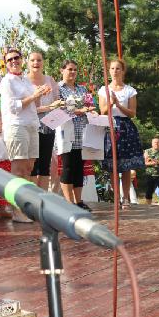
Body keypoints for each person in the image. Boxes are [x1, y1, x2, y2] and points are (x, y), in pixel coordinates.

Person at [0, 48, 50, 222]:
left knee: (29, 168)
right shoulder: (7, 82)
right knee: (18, 169)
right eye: (10, 59)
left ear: (21, 59)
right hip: (16, 126)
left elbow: (35, 104)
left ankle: (25, 206)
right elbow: (14, 107)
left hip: (31, 125)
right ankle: (16, 210)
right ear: (6, 64)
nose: (14, 61)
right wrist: (34, 95)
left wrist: (41, 94)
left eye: (16, 58)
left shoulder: (26, 81)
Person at [97, 59, 145, 209]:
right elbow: (102, 111)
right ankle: (116, 198)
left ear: (123, 71)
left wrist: (118, 105)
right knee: (113, 165)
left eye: (118, 68)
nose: (115, 71)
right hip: (109, 126)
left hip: (125, 127)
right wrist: (111, 103)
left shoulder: (130, 90)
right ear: (109, 71)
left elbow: (132, 113)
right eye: (112, 68)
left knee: (125, 166)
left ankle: (126, 198)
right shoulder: (103, 89)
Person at [55, 60, 94, 211]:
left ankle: (78, 202)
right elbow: (64, 108)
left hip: (82, 132)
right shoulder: (58, 89)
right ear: (62, 70)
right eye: (69, 69)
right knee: (68, 167)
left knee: (79, 169)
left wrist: (89, 109)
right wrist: (81, 110)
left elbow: (91, 105)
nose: (72, 72)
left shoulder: (83, 89)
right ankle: (68, 203)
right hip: (66, 133)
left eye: (75, 70)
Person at [27, 52, 60, 190]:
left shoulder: (50, 79)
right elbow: (29, 108)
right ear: (28, 62)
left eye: (39, 60)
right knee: (33, 164)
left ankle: (43, 199)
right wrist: (46, 105)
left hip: (48, 124)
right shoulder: (24, 81)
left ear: (43, 62)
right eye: (33, 60)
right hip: (31, 125)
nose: (36, 63)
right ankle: (32, 199)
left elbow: (58, 100)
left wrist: (56, 105)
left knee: (45, 164)